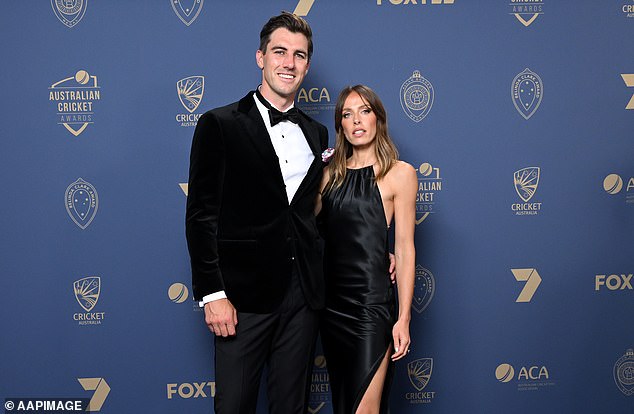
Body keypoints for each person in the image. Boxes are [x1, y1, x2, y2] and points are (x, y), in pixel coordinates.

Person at [185, 12, 329, 414]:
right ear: (260, 57)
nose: (289, 62)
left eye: (299, 55)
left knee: (291, 407)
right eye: (280, 52)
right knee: (233, 407)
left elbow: (313, 216)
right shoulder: (219, 123)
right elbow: (200, 217)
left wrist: (373, 251)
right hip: (241, 295)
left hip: (302, 295)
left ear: (307, 65)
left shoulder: (317, 134)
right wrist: (212, 294)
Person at [316, 85, 417, 414]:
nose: (356, 120)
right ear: (340, 125)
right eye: (347, 114)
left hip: (372, 310)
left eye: (364, 111)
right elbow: (304, 232)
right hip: (333, 309)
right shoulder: (327, 176)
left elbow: (403, 249)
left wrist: (403, 318)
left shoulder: (399, 174)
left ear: (378, 119)